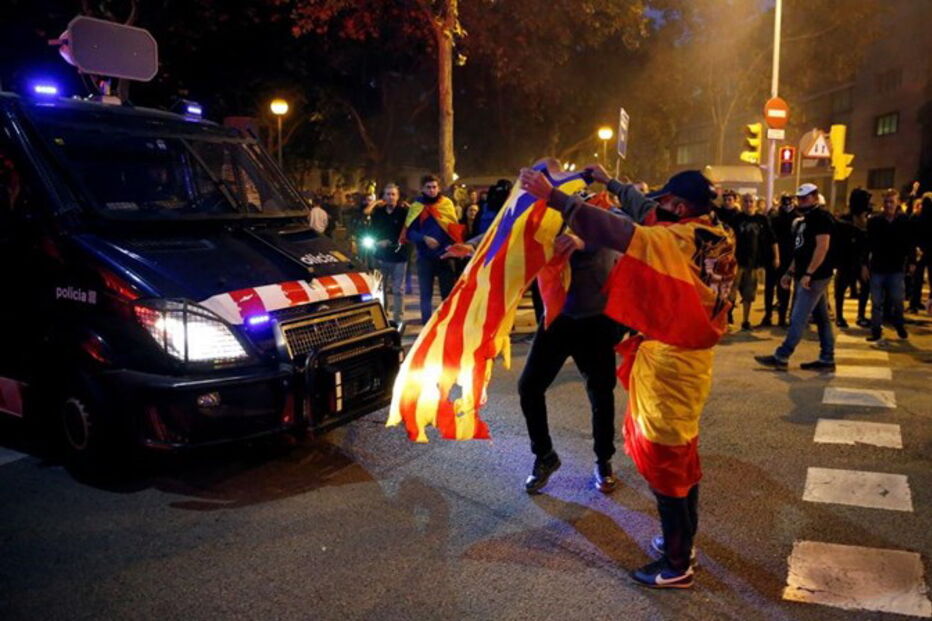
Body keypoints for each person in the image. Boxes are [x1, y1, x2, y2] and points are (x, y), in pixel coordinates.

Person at [520, 165, 735, 590]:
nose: (656, 207)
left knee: (666, 460)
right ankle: (682, 544)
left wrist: (555, 196)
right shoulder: (716, 231)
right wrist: (610, 181)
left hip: (673, 361)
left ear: (681, 206)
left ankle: (677, 565)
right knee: (682, 453)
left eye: (665, 202)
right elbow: (642, 212)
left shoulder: (673, 239)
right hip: (690, 357)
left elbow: (617, 231)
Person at [756, 183, 835, 371]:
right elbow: (800, 250)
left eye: (805, 197)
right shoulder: (804, 220)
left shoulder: (822, 218)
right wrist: (790, 272)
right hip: (807, 274)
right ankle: (827, 358)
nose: (801, 201)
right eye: (800, 198)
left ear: (815, 198)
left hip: (815, 276)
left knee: (798, 316)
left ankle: (782, 356)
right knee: (822, 318)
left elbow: (822, 247)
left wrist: (809, 273)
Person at [403, 174, 462, 325]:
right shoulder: (416, 206)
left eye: (434, 187)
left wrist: (450, 246)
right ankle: (427, 325)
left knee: (448, 294)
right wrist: (424, 238)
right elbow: (410, 232)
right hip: (425, 258)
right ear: (422, 189)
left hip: (445, 256)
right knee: (425, 295)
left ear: (439, 188)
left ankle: (449, 323)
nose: (432, 190)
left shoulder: (447, 204)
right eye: (428, 187)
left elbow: (454, 229)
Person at [865, 189, 913, 341]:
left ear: (897, 203)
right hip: (878, 267)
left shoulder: (904, 221)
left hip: (896, 267)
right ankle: (876, 330)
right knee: (876, 302)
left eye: (892, 201)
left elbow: (909, 243)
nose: (889, 205)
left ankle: (899, 324)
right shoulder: (875, 221)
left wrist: (912, 262)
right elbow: (868, 245)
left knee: (897, 300)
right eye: (886, 202)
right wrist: (864, 264)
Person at [733, 193, 778, 330]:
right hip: (735, 262)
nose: (748, 204)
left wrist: (776, 257)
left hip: (752, 263)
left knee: (749, 293)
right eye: (745, 201)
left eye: (751, 201)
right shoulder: (736, 219)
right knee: (730, 292)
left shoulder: (762, 219)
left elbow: (772, 239)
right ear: (741, 203)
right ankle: (726, 317)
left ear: (755, 203)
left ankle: (745, 321)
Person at [370, 183, 410, 326]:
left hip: (399, 257)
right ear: (383, 197)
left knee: (398, 290)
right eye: (388, 194)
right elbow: (371, 230)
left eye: (393, 194)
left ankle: (399, 319)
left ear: (398, 197)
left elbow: (408, 232)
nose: (390, 197)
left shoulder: (404, 213)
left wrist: (390, 241)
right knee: (380, 289)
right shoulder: (378, 213)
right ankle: (382, 317)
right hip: (380, 257)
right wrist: (376, 242)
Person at [832, 189, 871, 328]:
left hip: (859, 260)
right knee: (841, 288)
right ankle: (840, 316)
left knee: (865, 287)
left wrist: (864, 263)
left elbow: (867, 244)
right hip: (846, 259)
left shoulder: (866, 220)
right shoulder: (845, 221)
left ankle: (860, 315)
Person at [762, 193, 798, 327]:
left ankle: (781, 316)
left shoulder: (797, 217)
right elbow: (770, 237)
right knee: (771, 287)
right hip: (774, 256)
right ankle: (770, 315)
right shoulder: (775, 217)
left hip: (788, 256)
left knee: (783, 288)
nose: (787, 204)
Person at [909, 193, 932, 312]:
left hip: (919, 251)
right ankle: (928, 304)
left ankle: (914, 303)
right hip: (928, 250)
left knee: (917, 279)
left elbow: (911, 235)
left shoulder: (916, 216)